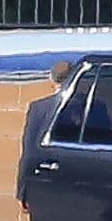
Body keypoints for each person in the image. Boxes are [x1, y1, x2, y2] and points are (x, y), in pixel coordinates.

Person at [17, 60, 73, 202]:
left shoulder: (39, 108)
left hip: (47, 180)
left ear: (51, 80)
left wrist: (23, 190)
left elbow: (30, 150)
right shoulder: (94, 107)